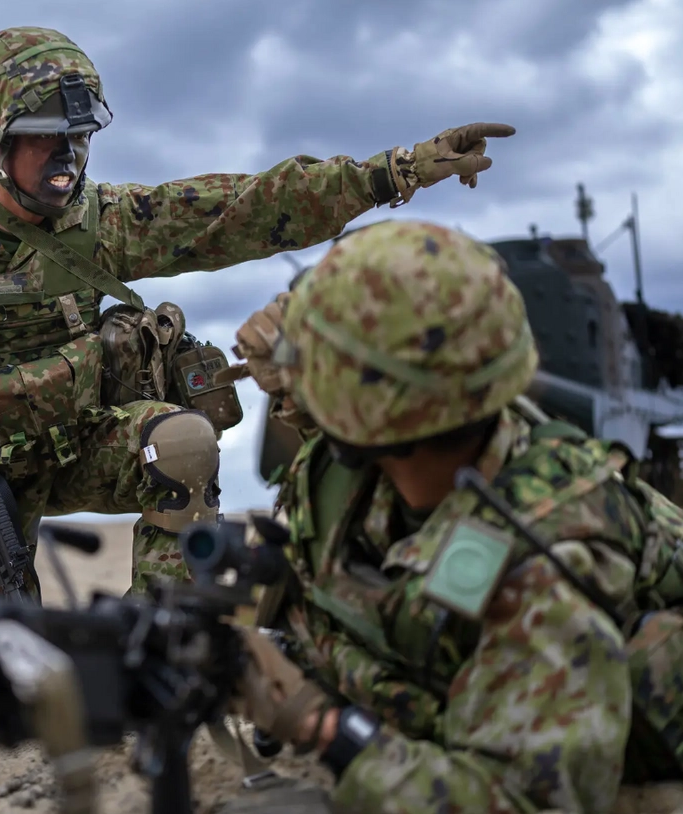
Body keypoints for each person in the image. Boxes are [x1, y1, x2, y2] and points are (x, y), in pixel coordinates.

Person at [0, 25, 515, 604]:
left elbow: (245, 208)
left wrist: (394, 171)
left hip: (74, 440)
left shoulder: (103, 220)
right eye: (44, 138)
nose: (67, 157)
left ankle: (162, 624)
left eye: (78, 137)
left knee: (185, 442)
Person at [229, 219, 683, 813]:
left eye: (313, 367)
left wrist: (316, 723)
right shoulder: (439, 425)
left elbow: (524, 802)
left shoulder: (548, 563)